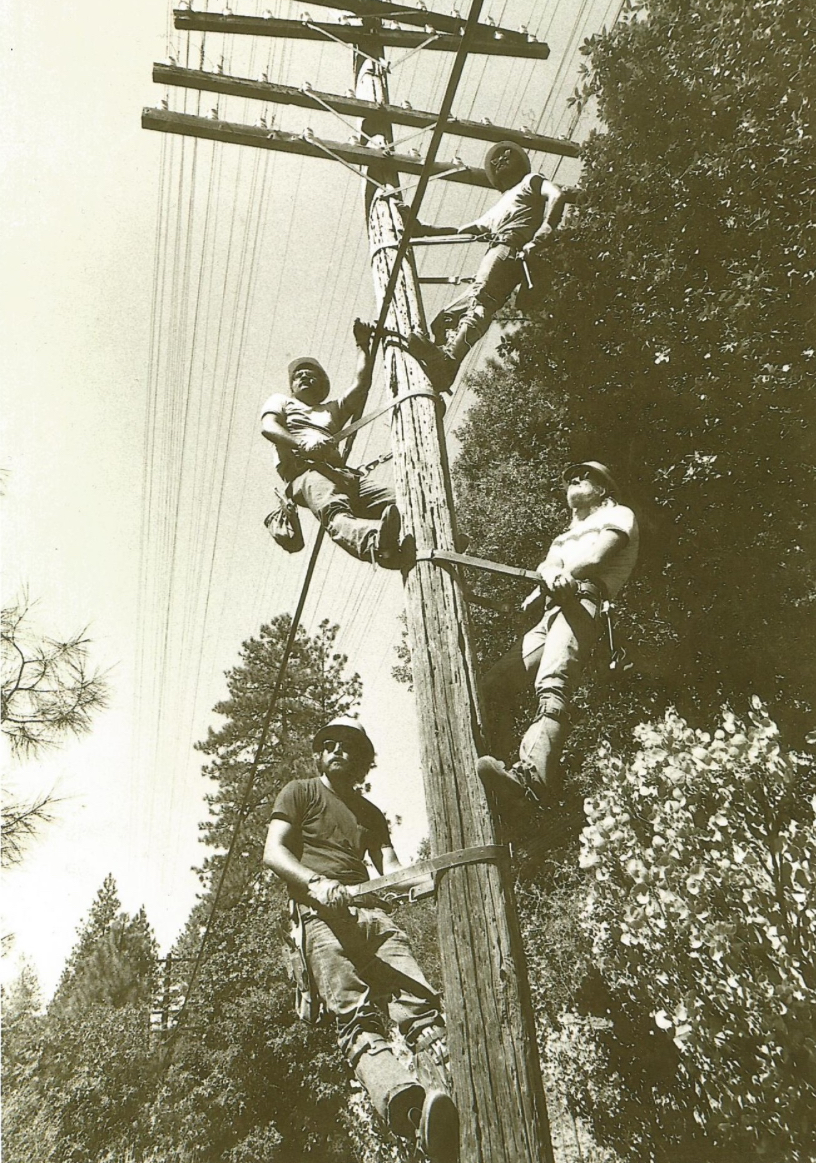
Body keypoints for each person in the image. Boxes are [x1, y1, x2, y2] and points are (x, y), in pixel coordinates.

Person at [263, 717, 460, 1162]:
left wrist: (414, 882)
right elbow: (273, 851)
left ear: (363, 759)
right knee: (356, 1017)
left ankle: (450, 1097)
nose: (337, 750)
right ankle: (410, 1114)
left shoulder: (369, 814)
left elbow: (390, 866)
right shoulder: (300, 792)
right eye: (329, 744)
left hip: (370, 913)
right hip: (320, 917)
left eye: (348, 745)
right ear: (320, 753)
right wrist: (314, 883)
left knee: (420, 1005)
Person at [477, 462, 639, 813]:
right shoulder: (565, 535)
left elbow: (597, 556)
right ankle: (498, 767)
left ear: (603, 490)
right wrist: (550, 578)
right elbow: (546, 568)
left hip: (584, 602)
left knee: (552, 684)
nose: (574, 480)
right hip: (553, 610)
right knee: (492, 686)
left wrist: (561, 575)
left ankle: (531, 780)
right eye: (570, 477)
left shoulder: (619, 514)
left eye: (585, 476)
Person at [407, 141, 568, 391]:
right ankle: (442, 363)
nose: (501, 160)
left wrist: (544, 232)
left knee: (482, 301)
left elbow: (557, 195)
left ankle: (448, 360)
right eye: (498, 160)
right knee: (445, 319)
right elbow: (464, 230)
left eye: (507, 157)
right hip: (497, 252)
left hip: (511, 249)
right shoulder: (500, 206)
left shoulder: (531, 181)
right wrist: (424, 230)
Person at [260, 319, 402, 568]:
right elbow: (269, 427)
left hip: (342, 474)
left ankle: (432, 540)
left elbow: (361, 385)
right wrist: (301, 445)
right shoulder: (282, 401)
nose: (303, 377)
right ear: (292, 386)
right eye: (298, 375)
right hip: (305, 473)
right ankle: (375, 544)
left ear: (321, 384)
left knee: (400, 503)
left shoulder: (330, 410)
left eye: (310, 374)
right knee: (333, 510)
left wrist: (362, 344)